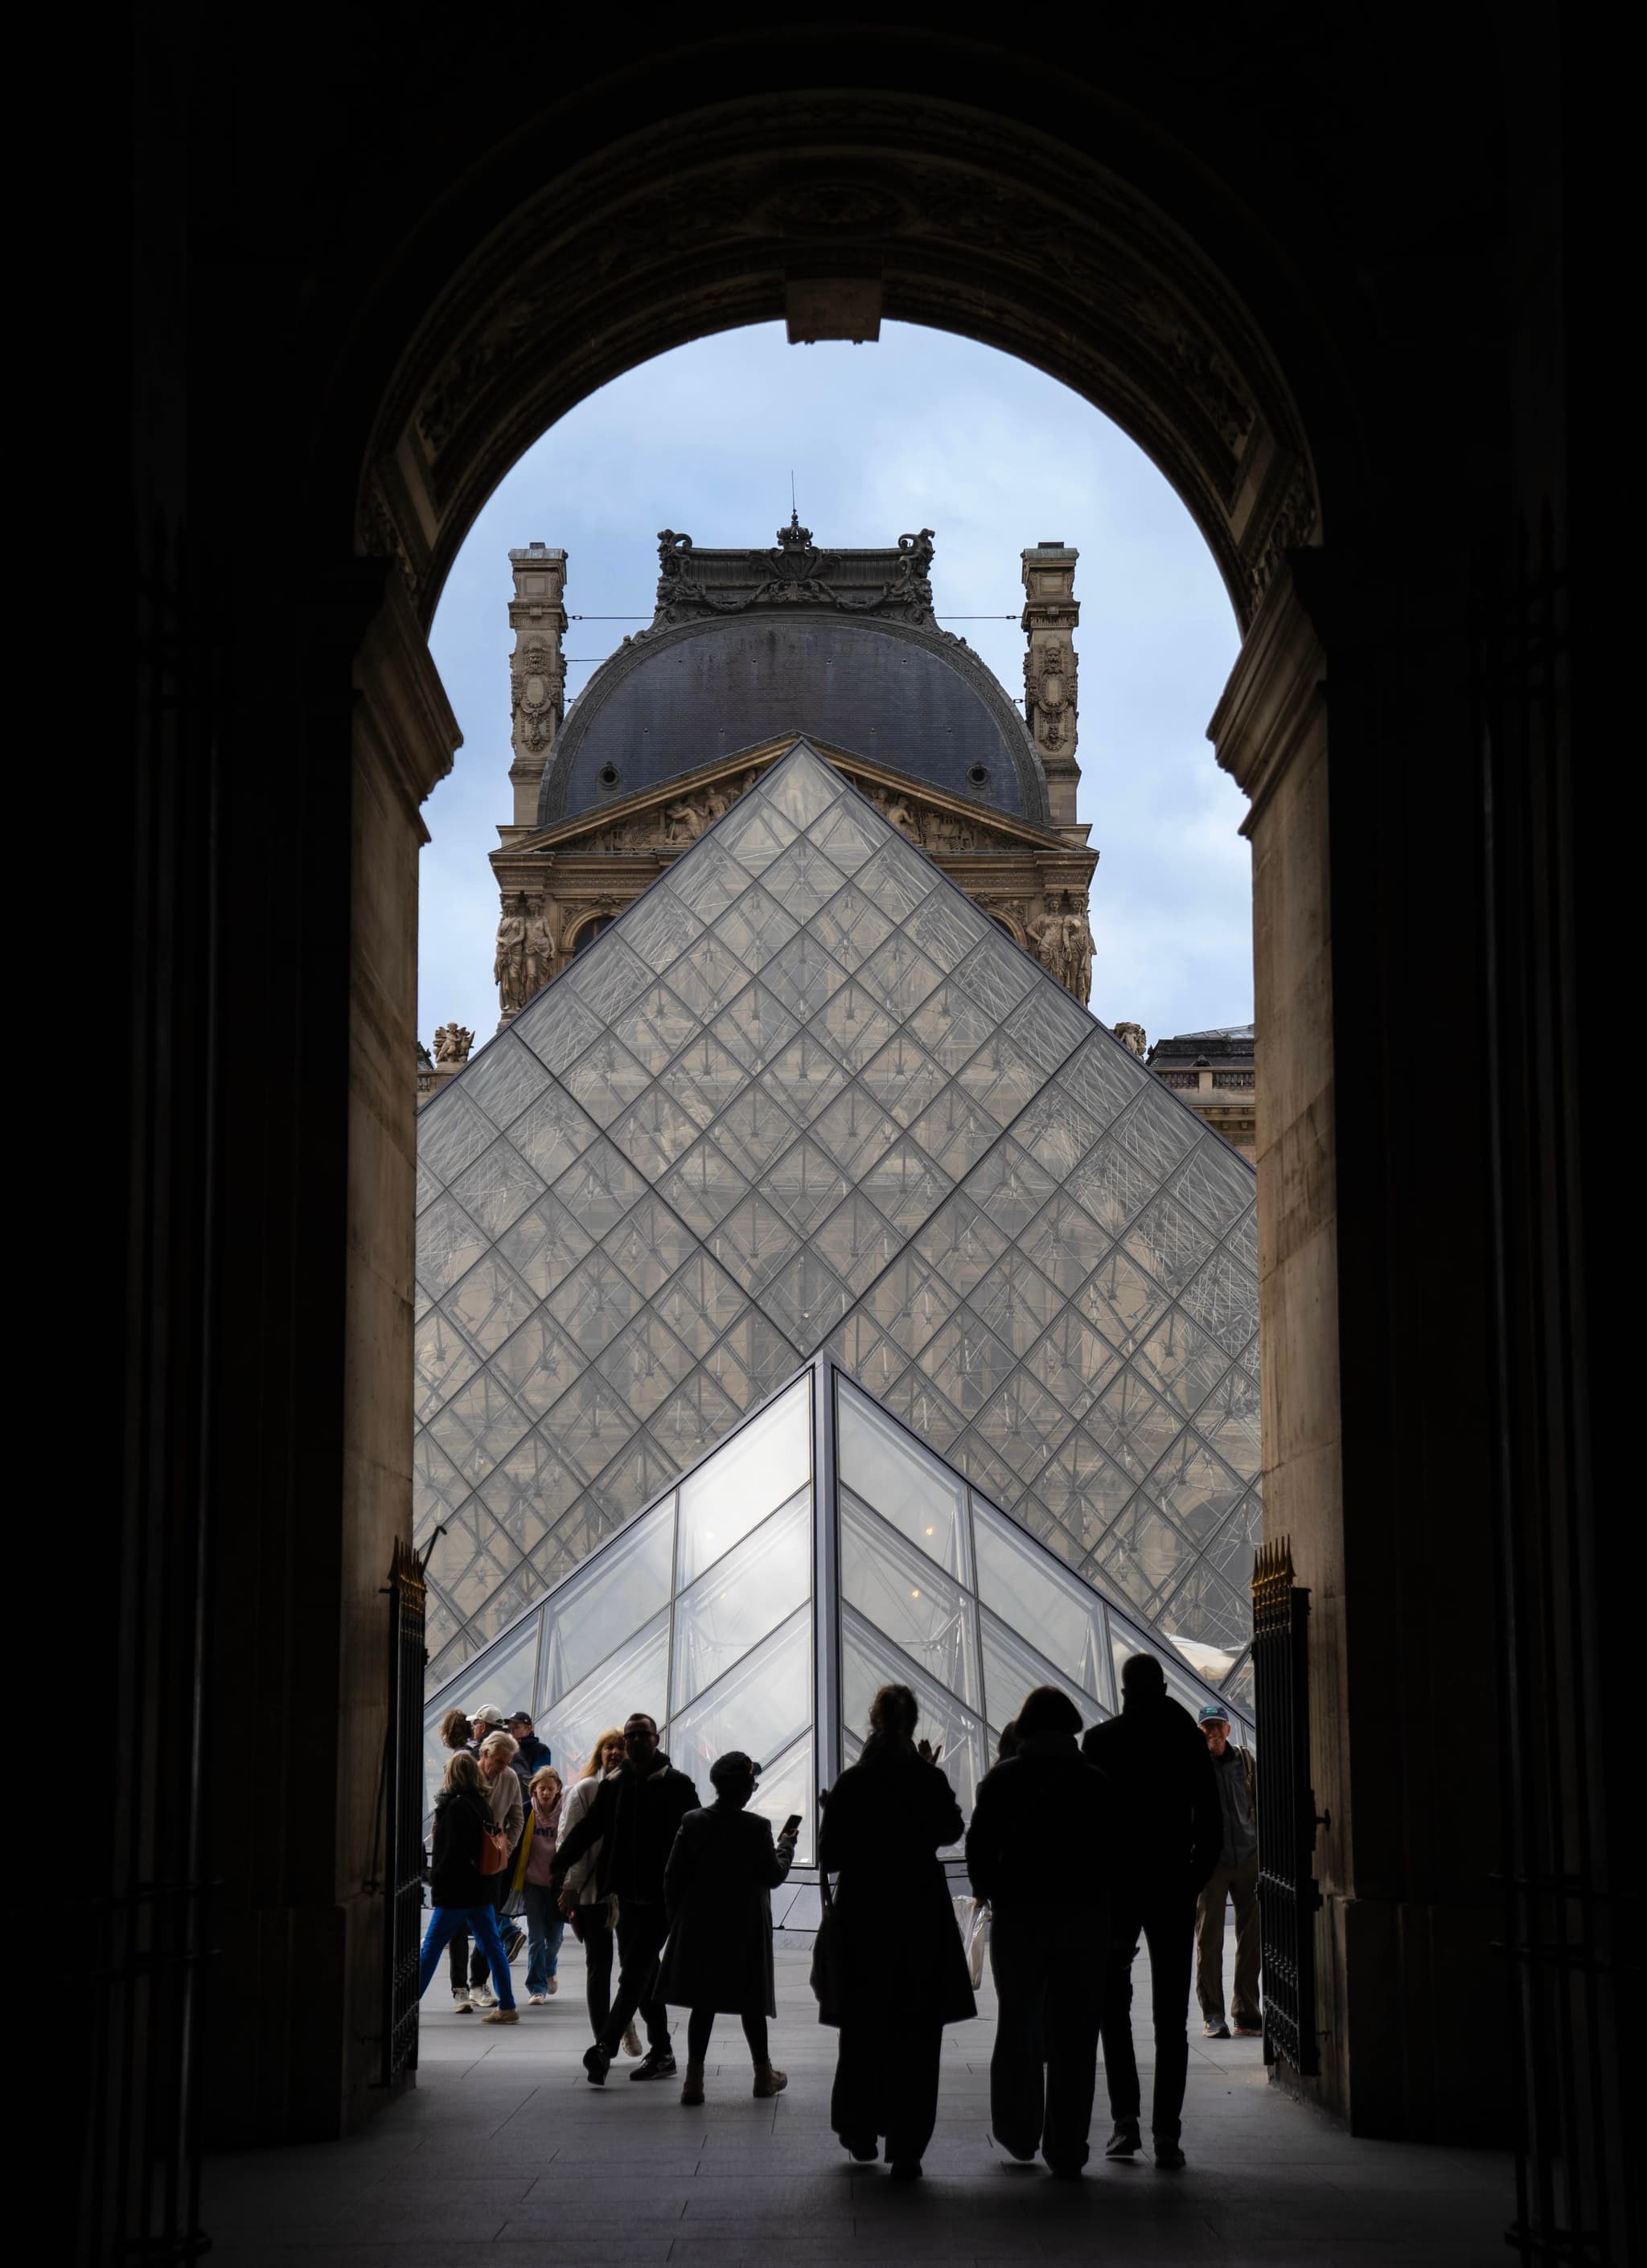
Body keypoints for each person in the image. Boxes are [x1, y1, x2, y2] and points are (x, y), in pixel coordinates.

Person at [816, 1683, 976, 2180]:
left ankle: (859, 2128)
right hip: (919, 1917)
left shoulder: (854, 1781)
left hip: (865, 1915)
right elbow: (952, 1830)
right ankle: (907, 2146)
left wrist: (834, 1814)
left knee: (864, 2030)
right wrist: (929, 1775)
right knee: (917, 2035)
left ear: (873, 1720)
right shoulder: (925, 1778)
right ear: (912, 1724)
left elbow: (833, 1855)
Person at [966, 1686, 1116, 2177]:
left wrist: (996, 1892)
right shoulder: (1094, 1782)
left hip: (1021, 1920)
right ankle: (1067, 2145)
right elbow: (1113, 1857)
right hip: (1080, 1922)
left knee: (1018, 2027)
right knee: (1075, 2037)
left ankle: (1018, 2130)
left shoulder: (1002, 1780)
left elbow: (979, 1851)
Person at [1082, 1654, 1221, 2170]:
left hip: (1117, 1892)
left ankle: (1125, 2124)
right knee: (1172, 2020)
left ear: (1123, 1689)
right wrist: (1192, 1880)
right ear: (1162, 1686)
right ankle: (1168, 2133)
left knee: (1112, 2008)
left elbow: (1090, 1829)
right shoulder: (1186, 1737)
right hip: (1170, 1887)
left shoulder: (1100, 1742)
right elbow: (1210, 1821)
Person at [551, 1712, 700, 2085]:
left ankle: (604, 2048)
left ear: (657, 1739)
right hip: (624, 1898)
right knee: (643, 1973)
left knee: (635, 1970)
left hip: (662, 1898)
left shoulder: (679, 1785)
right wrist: (560, 1862)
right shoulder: (615, 1785)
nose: (633, 1742)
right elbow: (590, 1828)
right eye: (630, 1735)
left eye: (641, 1735)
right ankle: (662, 2050)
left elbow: (696, 1838)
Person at [658, 1751, 798, 2105]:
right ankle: (763, 2074)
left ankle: (694, 2081)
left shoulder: (692, 1821)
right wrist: (786, 1847)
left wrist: (678, 1920)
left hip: (700, 1925)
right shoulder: (757, 1827)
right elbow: (773, 1875)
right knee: (752, 2002)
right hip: (745, 1927)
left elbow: (672, 1877)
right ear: (747, 1789)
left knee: (702, 2005)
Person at [556, 1729, 643, 2058]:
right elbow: (572, 1842)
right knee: (600, 1965)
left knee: (628, 1965)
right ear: (599, 1752)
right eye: (609, 1747)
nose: (615, 1752)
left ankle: (622, 2023)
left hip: (627, 1892)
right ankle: (604, 2037)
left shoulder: (637, 1788)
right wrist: (570, 1887)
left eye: (621, 1747)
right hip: (595, 1892)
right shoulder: (587, 1789)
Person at [417, 1753, 519, 2024]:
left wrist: (433, 1877)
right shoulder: (480, 1805)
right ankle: (507, 2005)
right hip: (481, 1891)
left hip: (456, 1893)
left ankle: (406, 2003)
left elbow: (452, 1853)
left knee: (432, 1948)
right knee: (493, 1946)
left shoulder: (455, 1808)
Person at [1194, 1703, 1261, 2039]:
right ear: (1201, 1731)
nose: (1214, 1733)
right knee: (1210, 1939)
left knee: (1252, 1940)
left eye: (1218, 1726)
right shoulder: (1193, 1766)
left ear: (1229, 1730)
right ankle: (1213, 2014)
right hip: (1213, 1863)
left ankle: (1247, 2011)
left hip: (1249, 1858)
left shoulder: (1245, 1761)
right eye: (1208, 1727)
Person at [465, 1730, 526, 2007]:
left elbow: (517, 1818)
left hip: (493, 1863)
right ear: (485, 1754)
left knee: (489, 1922)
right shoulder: (466, 1773)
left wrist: (506, 1849)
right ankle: (461, 1987)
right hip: (464, 1860)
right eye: (500, 1761)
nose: (503, 1768)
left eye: (508, 1762)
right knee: (459, 1927)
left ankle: (479, 1983)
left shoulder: (510, 1778)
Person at [519, 1766, 565, 2004]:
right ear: (534, 1790)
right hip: (533, 1884)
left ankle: (549, 1968)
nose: (546, 1793)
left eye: (550, 1788)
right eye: (541, 1788)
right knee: (536, 1937)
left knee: (555, 1938)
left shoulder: (565, 1812)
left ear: (558, 1789)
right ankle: (536, 1987)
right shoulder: (527, 1813)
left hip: (557, 1886)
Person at [507, 1710, 552, 1785]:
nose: (511, 1731)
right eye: (509, 1728)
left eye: (516, 1727)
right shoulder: (506, 1748)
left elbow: (538, 1778)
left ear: (528, 1729)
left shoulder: (541, 1749)